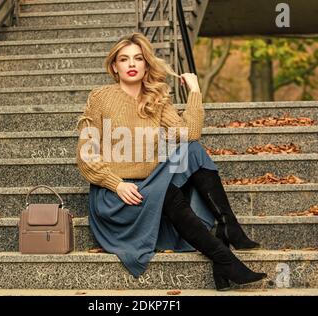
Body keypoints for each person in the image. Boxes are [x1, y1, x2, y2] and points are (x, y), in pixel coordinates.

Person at [76, 32, 267, 291]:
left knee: (193, 150)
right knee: (168, 192)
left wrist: (195, 92)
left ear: (146, 65)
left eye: (138, 58)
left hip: (151, 188)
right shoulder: (100, 98)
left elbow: (190, 134)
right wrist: (116, 183)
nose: (132, 64)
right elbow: (86, 153)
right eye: (124, 59)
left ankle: (228, 227)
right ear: (114, 67)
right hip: (117, 198)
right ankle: (225, 258)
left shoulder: (156, 99)